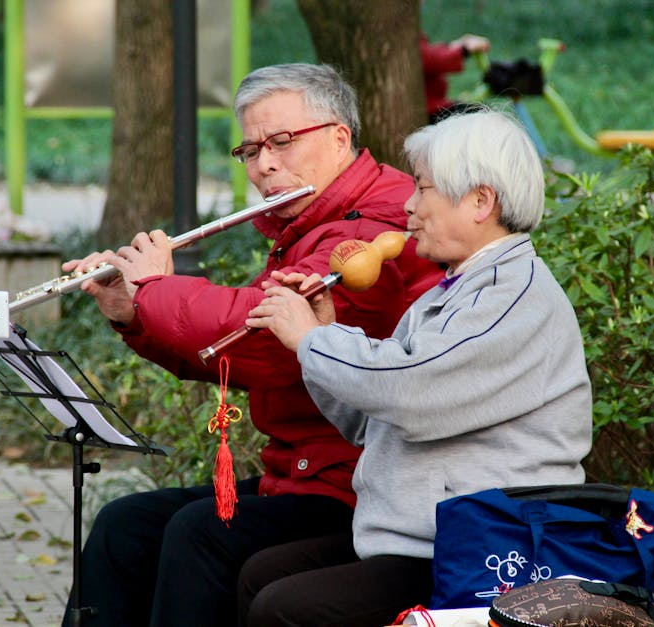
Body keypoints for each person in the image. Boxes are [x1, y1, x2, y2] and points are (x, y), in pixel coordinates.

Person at [60, 63, 443, 626]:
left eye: (282, 143)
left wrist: (157, 290)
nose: (264, 166)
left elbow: (261, 340)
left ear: (340, 137)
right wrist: (134, 315)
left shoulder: (373, 223)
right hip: (301, 471)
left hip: (354, 482)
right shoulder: (314, 222)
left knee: (197, 534)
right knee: (126, 525)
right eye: (250, 151)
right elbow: (235, 359)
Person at [239, 108, 594, 626]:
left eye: (423, 189)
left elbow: (409, 391)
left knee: (285, 608)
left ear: (480, 201)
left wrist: (314, 340)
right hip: (416, 539)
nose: (408, 205)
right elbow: (368, 419)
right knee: (257, 575)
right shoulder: (453, 292)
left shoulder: (513, 295)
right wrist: (322, 334)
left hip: (482, 555)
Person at [421, 32, 490, 123]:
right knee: (484, 115)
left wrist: (454, 45)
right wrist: (464, 50)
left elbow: (427, 52)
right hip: (429, 110)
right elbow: (429, 59)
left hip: (432, 106)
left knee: (482, 111)